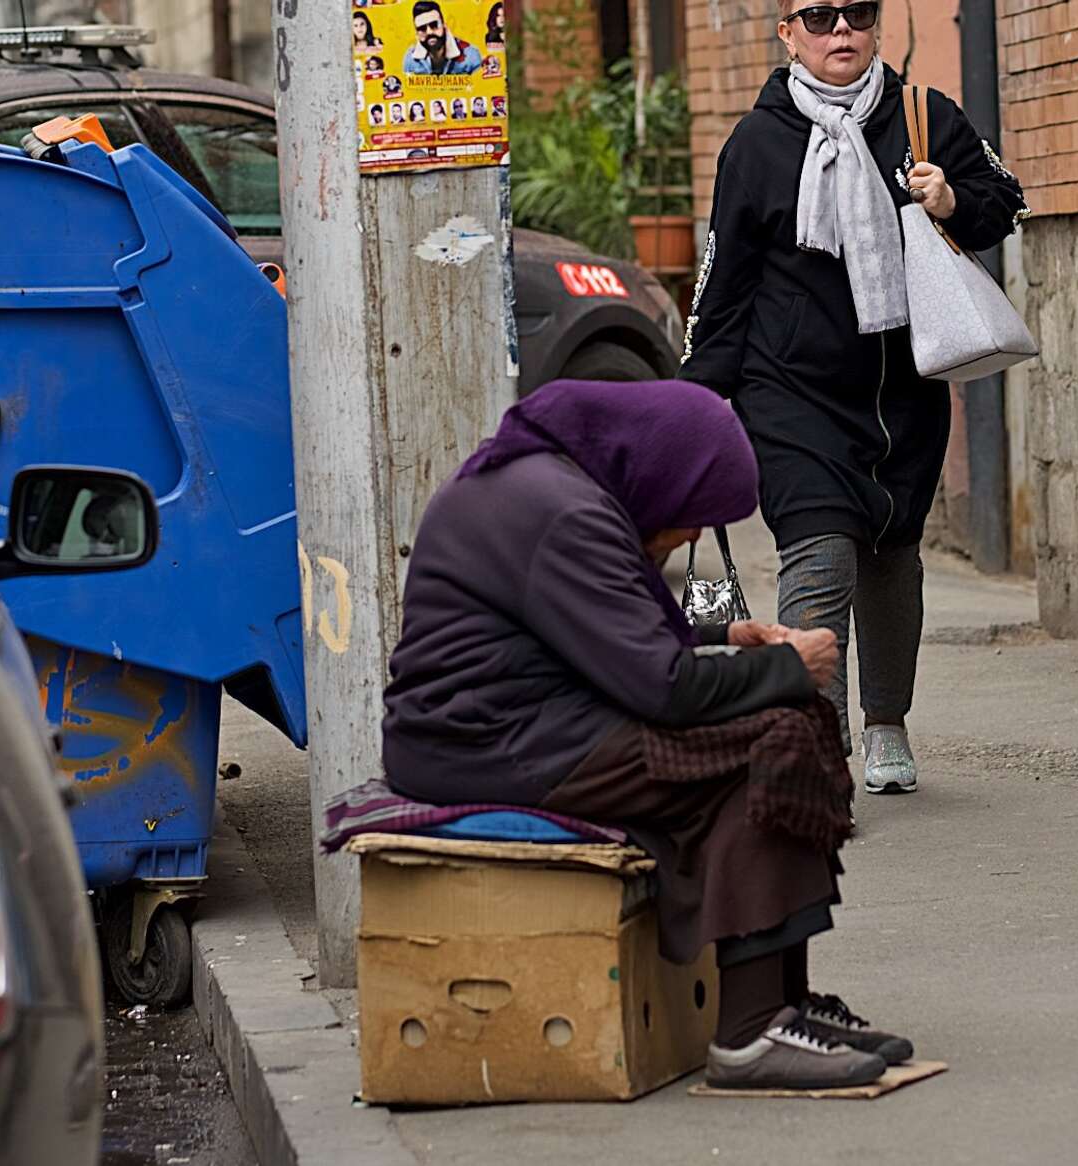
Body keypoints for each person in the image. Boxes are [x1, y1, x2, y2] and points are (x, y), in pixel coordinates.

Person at [384, 378, 914, 1091]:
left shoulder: (554, 486)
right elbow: (661, 687)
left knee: (776, 723)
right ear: (662, 475)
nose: (693, 534)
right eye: (694, 515)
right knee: (769, 740)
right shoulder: (561, 511)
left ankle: (783, 1007)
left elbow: (598, 624)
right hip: (491, 744)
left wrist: (725, 634)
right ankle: (753, 1031)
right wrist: (790, 666)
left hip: (516, 726)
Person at [679, 0, 1026, 795]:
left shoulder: (923, 117)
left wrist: (951, 201)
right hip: (791, 394)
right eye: (821, 15)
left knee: (892, 555)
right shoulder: (757, 145)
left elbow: (1006, 198)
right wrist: (696, 406)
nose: (842, 31)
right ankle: (811, 742)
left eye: (858, 14)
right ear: (789, 34)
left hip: (904, 392)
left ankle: (887, 724)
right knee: (820, 549)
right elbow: (722, 286)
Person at [403, 1, 483, 75]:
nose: (429, 32)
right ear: (417, 33)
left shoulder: (471, 55)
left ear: (444, 26)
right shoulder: (410, 59)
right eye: (422, 28)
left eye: (434, 25)